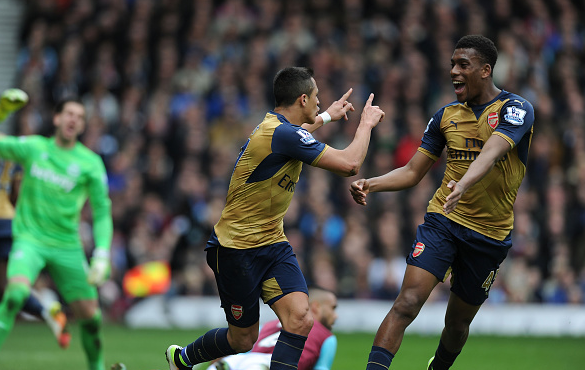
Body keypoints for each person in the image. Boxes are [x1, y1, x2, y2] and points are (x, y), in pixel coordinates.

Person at [165, 66, 385, 370]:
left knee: (301, 318)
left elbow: (299, 135)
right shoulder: (279, 133)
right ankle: (184, 358)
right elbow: (350, 164)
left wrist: (328, 117)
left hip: (271, 242)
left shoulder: (279, 129)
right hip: (236, 249)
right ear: (303, 99)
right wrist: (366, 124)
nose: (321, 102)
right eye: (317, 97)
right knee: (243, 340)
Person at [349, 35, 534, 370]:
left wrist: (463, 182)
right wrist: (370, 184)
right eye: (452, 64)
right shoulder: (445, 117)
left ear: (485, 70)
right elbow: (413, 171)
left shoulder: (515, 109)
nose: (453, 71)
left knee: (457, 323)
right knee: (406, 303)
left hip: (489, 235)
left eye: (463, 64)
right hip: (444, 221)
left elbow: (493, 150)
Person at [0, 97, 113, 370]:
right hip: (30, 240)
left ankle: (96, 366)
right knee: (14, 294)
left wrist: (101, 254)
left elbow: (101, 211)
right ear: (56, 119)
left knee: (91, 318)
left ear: (82, 125)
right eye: (69, 114)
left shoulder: (91, 163)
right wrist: (2, 111)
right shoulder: (34, 147)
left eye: (80, 116)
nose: (73, 119)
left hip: (67, 246)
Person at [0, 88, 71, 349]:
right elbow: (18, 193)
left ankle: (44, 311)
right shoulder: (18, 150)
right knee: (10, 285)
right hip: (9, 219)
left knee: (10, 285)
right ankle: (46, 311)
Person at [208, 286, 338, 370]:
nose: (336, 316)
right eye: (333, 308)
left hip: (241, 360)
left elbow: (243, 347)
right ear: (316, 307)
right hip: (271, 365)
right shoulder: (326, 336)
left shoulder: (269, 325)